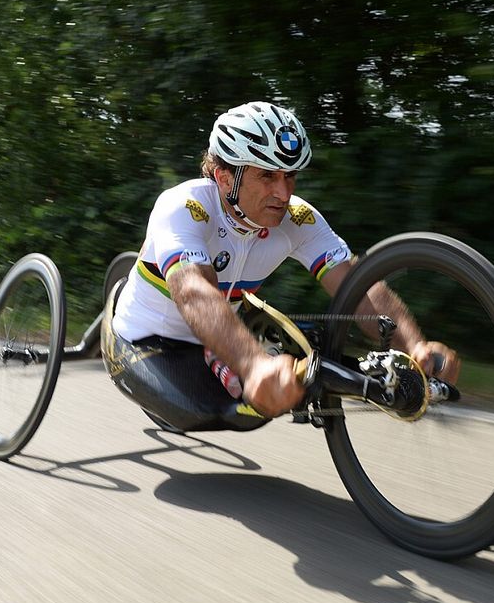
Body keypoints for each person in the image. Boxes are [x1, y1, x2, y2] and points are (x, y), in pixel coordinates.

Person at [101, 101, 458, 433]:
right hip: (145, 344)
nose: (284, 194)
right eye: (267, 177)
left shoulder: (297, 219)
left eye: (290, 176)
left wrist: (416, 346)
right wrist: (254, 365)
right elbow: (195, 293)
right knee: (200, 411)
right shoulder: (184, 205)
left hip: (215, 342)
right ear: (226, 178)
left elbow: (357, 288)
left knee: (274, 394)